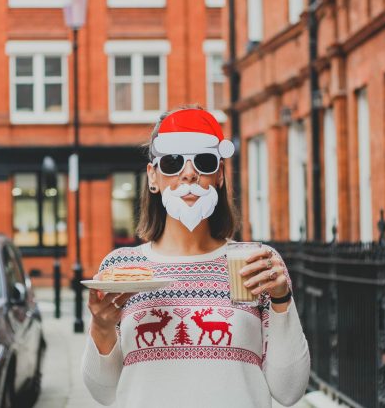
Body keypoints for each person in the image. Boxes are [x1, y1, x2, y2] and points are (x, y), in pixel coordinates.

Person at [82, 107, 310, 407]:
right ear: (153, 178)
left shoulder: (255, 264)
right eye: (173, 163)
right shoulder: (122, 268)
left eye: (203, 162)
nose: (189, 174)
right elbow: (104, 392)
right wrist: (100, 326)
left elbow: (289, 390)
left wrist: (281, 299)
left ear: (219, 176)